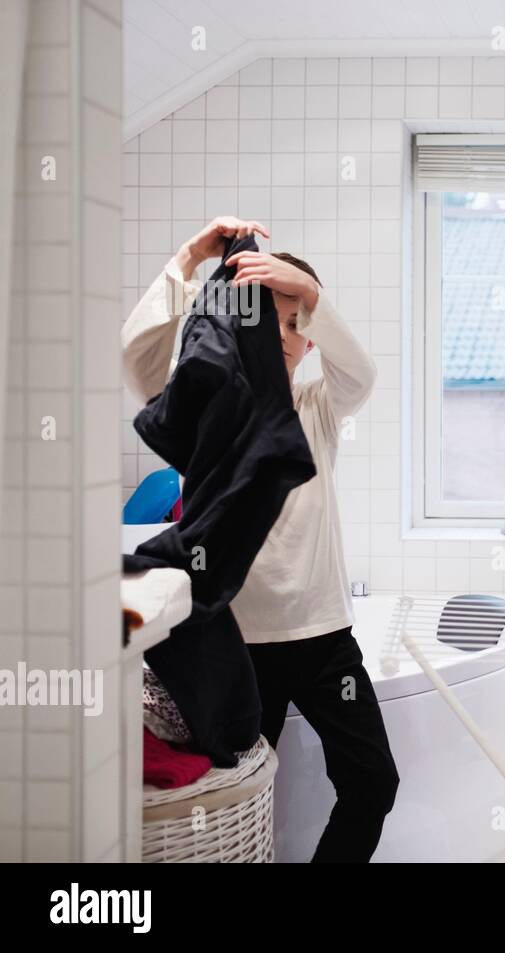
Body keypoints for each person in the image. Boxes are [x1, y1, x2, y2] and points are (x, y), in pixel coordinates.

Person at [122, 216, 400, 862]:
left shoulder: (316, 408)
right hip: (236, 644)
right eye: (268, 320)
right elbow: (135, 359)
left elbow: (361, 372)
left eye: (298, 324)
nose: (284, 336)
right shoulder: (207, 405)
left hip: (323, 640)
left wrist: (305, 289)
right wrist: (190, 257)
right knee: (240, 797)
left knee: (373, 781)